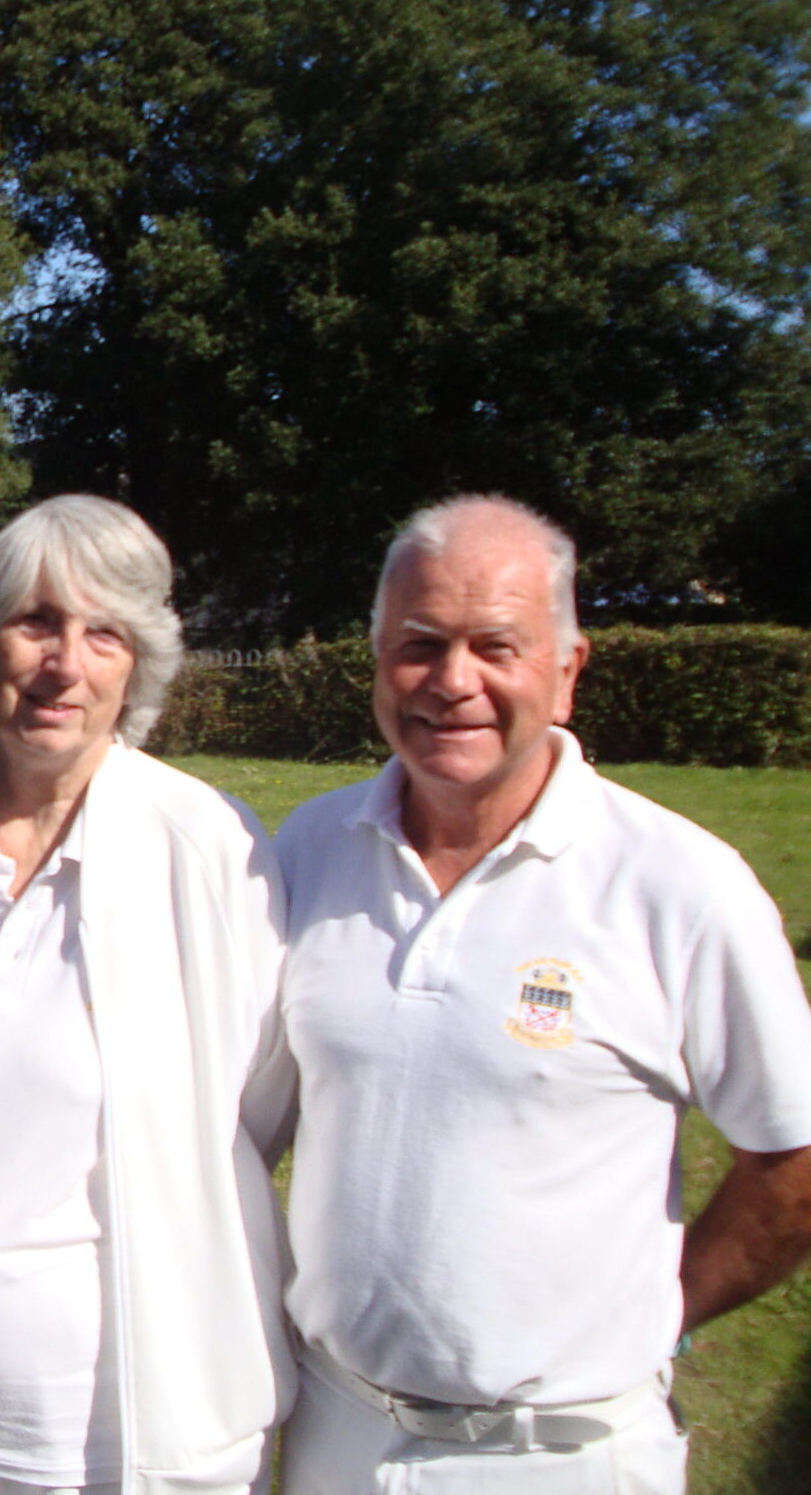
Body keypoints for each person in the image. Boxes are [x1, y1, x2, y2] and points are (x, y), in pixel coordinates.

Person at [277, 495, 811, 1492]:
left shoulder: (676, 886)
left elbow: (792, 1156)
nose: (451, 682)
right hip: (334, 1436)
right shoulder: (305, 851)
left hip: (559, 1458)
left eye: (494, 646)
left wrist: (658, 1313)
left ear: (566, 673)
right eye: (417, 645)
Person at [0, 496, 291, 1495]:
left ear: (137, 663)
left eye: (102, 633)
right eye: (35, 623)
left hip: (126, 1435)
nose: (62, 664)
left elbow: (256, 1103)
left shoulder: (205, 847)